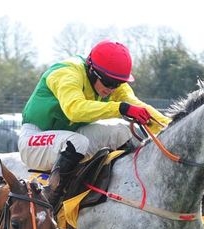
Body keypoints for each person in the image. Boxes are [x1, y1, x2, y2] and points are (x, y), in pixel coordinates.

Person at [19, 40, 170, 209]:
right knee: (77, 142)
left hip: (71, 136)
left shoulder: (112, 83)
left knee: (122, 130)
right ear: (92, 70)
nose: (112, 88)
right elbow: (74, 109)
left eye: (118, 83)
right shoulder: (66, 73)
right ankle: (50, 203)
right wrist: (120, 108)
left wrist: (172, 127)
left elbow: (139, 107)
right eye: (108, 82)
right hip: (34, 138)